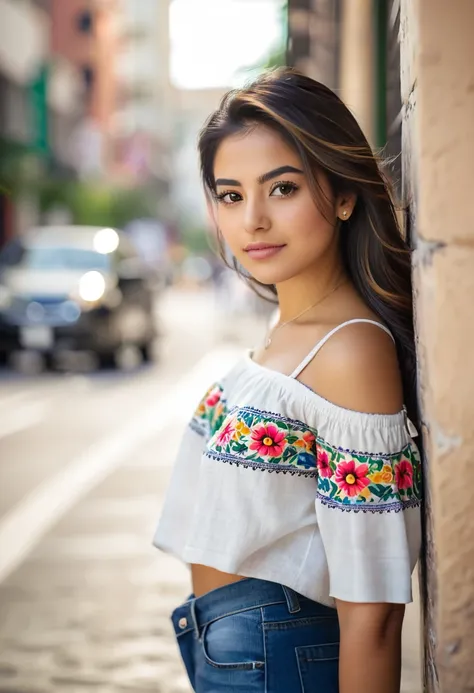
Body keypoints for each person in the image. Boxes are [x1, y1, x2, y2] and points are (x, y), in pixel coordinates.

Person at [153, 68, 422, 693]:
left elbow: (375, 615)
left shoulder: (349, 351)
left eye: (282, 188)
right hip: (228, 649)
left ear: (345, 194)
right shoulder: (287, 329)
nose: (253, 220)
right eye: (230, 195)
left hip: (278, 661)